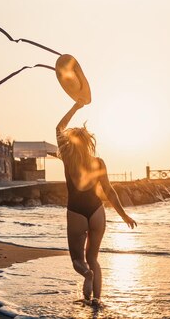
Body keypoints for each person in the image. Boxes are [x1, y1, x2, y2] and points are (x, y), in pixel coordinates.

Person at [56, 100, 137, 306]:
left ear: (71, 142)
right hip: (97, 212)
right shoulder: (98, 162)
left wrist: (75, 106)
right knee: (93, 258)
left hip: (76, 212)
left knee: (78, 260)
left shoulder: (67, 157)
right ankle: (97, 301)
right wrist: (124, 215)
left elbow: (59, 128)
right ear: (88, 142)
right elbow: (109, 191)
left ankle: (87, 276)